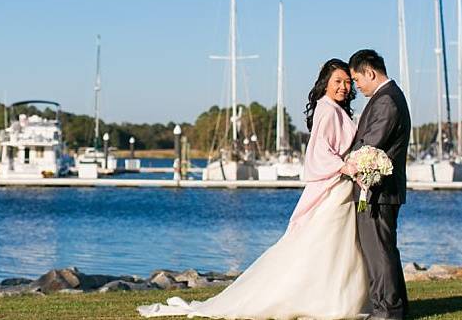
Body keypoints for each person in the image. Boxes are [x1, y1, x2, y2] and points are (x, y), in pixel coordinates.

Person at [138, 59, 369, 319]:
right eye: (338, 81)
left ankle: (339, 299)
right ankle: (327, 301)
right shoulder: (326, 110)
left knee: (335, 246)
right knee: (323, 244)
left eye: (348, 82)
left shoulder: (335, 110)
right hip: (333, 185)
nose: (344, 86)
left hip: (340, 187)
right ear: (325, 83)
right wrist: (346, 166)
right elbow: (318, 154)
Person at [348, 49, 411, 320]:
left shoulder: (386, 101)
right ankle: (394, 307)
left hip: (378, 190)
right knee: (384, 250)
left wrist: (346, 160)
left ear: (370, 72)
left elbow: (370, 144)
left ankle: (387, 311)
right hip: (381, 190)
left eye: (356, 79)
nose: (356, 85)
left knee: (379, 252)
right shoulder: (388, 97)